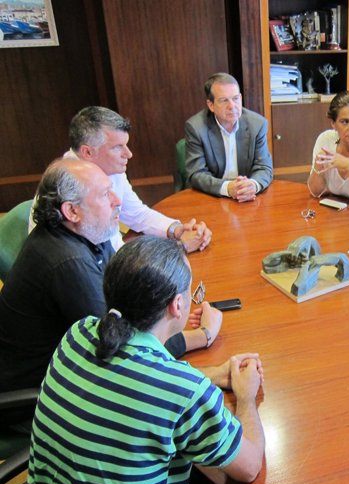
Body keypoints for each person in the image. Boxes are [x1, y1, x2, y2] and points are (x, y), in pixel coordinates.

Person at [26, 236, 265, 484]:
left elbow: (131, 382)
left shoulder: (79, 333)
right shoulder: (183, 393)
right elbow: (249, 468)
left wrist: (211, 374)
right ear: (177, 305)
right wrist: (247, 397)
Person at [0, 159, 221, 400]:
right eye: (105, 195)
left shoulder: (89, 233)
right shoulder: (67, 263)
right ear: (72, 211)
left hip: (70, 365)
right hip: (43, 391)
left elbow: (126, 287)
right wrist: (204, 335)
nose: (117, 200)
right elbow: (119, 348)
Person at [28, 106, 212, 252]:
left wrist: (177, 230)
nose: (129, 154)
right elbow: (114, 260)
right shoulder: (72, 190)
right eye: (117, 147)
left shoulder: (109, 168)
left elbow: (136, 214)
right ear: (88, 152)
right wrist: (179, 247)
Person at [185, 72, 273, 200]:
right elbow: (196, 174)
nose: (232, 106)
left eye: (235, 98)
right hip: (212, 197)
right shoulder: (196, 128)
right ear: (211, 105)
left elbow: (264, 167)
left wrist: (253, 185)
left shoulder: (257, 124)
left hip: (247, 197)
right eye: (224, 100)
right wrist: (227, 188)